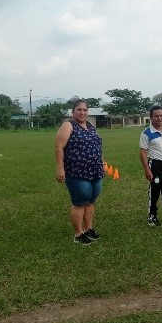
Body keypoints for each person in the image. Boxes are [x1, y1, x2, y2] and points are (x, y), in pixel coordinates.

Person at [55, 99, 104, 245]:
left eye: (84, 110)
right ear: (73, 112)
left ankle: (88, 229)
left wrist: (102, 162)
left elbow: (96, 146)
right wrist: (60, 168)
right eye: (79, 109)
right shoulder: (68, 126)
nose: (82, 112)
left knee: (90, 202)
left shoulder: (90, 126)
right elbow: (59, 147)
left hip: (95, 171)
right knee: (79, 202)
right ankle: (78, 234)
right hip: (77, 172)